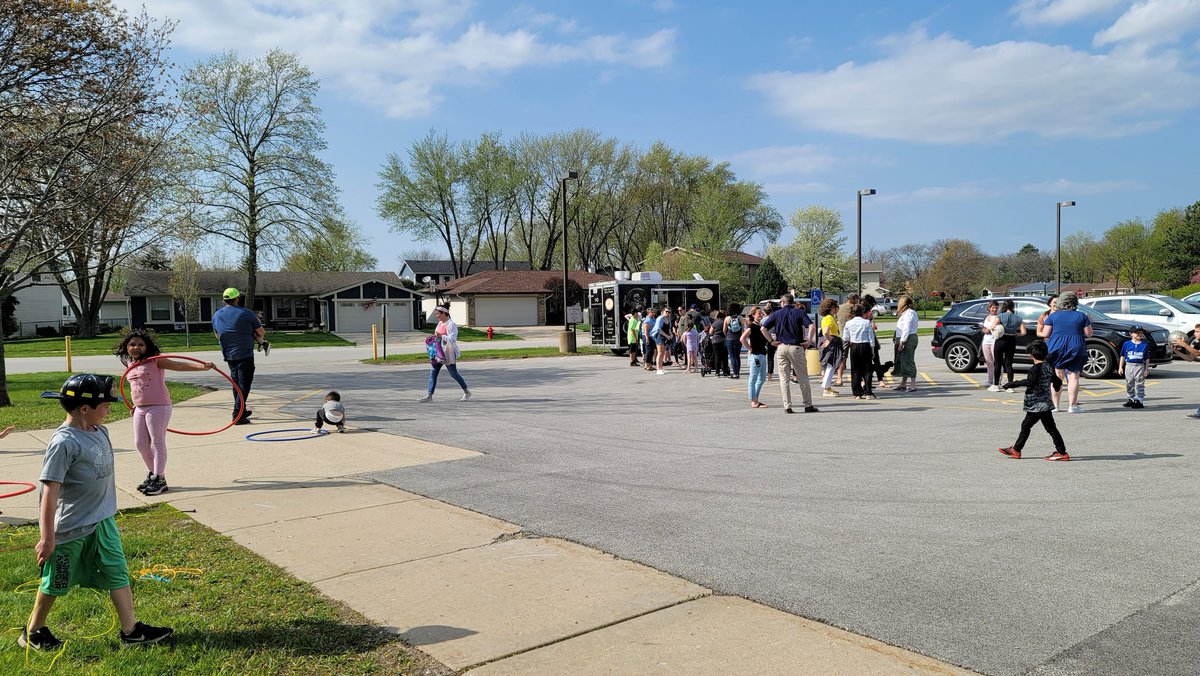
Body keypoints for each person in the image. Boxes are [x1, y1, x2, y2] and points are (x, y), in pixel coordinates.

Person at [23, 374, 174, 651]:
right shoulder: (64, 442)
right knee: (56, 581)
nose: (109, 409)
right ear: (84, 409)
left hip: (103, 521)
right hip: (70, 528)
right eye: (105, 405)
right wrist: (47, 538)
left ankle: (131, 632)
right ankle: (33, 631)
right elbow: (49, 492)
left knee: (118, 573)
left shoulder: (99, 430)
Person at [115, 329, 214, 496]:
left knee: (157, 442)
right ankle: (153, 473)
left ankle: (159, 478)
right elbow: (136, 388)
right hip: (139, 408)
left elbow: (179, 365)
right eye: (132, 344)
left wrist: (202, 367)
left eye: (141, 344)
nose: (136, 347)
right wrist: (134, 405)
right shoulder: (130, 365)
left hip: (159, 406)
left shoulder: (155, 361)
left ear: (148, 347)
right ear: (126, 348)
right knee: (140, 443)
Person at [998, 339, 1070, 461]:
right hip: (1045, 403)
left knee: (1042, 427)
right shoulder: (1048, 366)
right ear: (1046, 354)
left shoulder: (1035, 369)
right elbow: (1057, 380)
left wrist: (1012, 384)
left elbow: (1031, 382)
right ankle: (1016, 448)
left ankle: (1061, 452)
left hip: (1036, 404)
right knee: (1030, 425)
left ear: (1031, 355)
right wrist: (1056, 387)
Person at [212, 287, 264, 425]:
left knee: (236, 384)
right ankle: (237, 415)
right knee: (244, 385)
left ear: (224, 300)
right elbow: (261, 332)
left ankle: (242, 409)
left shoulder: (217, 315)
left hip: (229, 355)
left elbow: (217, 335)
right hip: (245, 354)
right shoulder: (246, 313)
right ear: (237, 299)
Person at [760, 294, 818, 414]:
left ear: (782, 302)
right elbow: (811, 326)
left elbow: (763, 328)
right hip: (796, 347)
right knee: (803, 377)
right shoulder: (799, 312)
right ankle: (808, 404)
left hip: (781, 347)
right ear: (792, 302)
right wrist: (808, 340)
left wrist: (771, 341)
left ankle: (787, 406)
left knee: (784, 378)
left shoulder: (776, 314)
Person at [1038, 292, 1092, 413]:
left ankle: (1056, 406)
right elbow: (1088, 334)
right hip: (1076, 346)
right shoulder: (1082, 316)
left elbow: (1046, 334)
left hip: (1057, 346)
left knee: (1058, 376)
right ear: (1075, 302)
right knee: (1073, 377)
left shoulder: (1053, 316)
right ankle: (1072, 406)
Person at [420, 305, 471, 401]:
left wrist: (441, 336)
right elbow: (437, 336)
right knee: (433, 373)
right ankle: (429, 396)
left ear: (444, 313)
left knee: (453, 374)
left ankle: (467, 392)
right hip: (438, 352)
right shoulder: (439, 323)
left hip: (448, 353)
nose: (436, 316)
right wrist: (432, 338)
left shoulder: (451, 324)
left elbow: (452, 339)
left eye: (438, 314)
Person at [843, 305, 877, 399]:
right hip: (865, 345)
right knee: (867, 369)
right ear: (861, 312)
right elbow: (871, 338)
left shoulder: (848, 323)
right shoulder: (866, 322)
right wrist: (873, 350)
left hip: (854, 345)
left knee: (855, 370)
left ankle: (857, 392)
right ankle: (868, 392)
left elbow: (846, 338)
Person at [741, 306, 769, 408]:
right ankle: (753, 400)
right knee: (753, 378)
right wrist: (750, 349)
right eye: (759, 314)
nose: (761, 315)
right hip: (756, 355)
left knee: (761, 378)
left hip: (762, 353)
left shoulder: (760, 326)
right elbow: (742, 339)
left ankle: (755, 398)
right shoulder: (752, 326)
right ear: (753, 315)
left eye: (762, 313)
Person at [995, 299, 1025, 391]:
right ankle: (1010, 386)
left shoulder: (1000, 316)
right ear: (1013, 307)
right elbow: (1024, 332)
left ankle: (996, 385)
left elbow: (993, 326)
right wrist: (1016, 334)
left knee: (998, 363)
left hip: (1001, 340)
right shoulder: (1018, 318)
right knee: (1009, 364)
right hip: (1011, 340)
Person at [892, 295, 920, 392]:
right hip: (906, 338)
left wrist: (902, 341)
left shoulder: (909, 314)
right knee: (903, 361)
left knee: (908, 361)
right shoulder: (907, 313)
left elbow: (906, 328)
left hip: (908, 339)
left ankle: (913, 384)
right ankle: (903, 383)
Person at [1118, 326, 1149, 409]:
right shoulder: (1127, 344)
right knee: (1129, 383)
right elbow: (1123, 356)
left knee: (1139, 383)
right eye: (1137, 333)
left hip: (1139, 366)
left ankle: (1139, 400)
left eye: (1141, 333)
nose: (1140, 334)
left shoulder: (1144, 345)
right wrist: (1120, 367)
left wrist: (1146, 369)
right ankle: (1131, 399)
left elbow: (1146, 358)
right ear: (1131, 334)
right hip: (1129, 365)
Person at [834, 294, 860, 386]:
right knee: (857, 359)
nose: (858, 300)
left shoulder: (839, 308)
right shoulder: (857, 308)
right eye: (856, 299)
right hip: (855, 337)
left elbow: (836, 320)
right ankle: (859, 379)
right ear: (852, 299)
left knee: (842, 358)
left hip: (843, 336)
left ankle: (839, 378)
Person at [817, 298, 842, 397]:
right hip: (833, 342)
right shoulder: (829, 318)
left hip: (832, 341)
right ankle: (826, 388)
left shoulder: (827, 318)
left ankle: (828, 387)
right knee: (831, 365)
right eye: (837, 307)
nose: (838, 309)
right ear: (832, 308)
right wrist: (831, 340)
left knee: (831, 365)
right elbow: (826, 332)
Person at [981, 300, 1001, 391]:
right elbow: (984, 328)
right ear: (989, 308)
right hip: (986, 341)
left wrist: (989, 330)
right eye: (993, 307)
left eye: (996, 308)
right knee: (989, 362)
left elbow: (998, 329)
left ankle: (998, 380)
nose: (994, 309)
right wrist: (984, 330)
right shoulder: (987, 317)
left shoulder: (998, 317)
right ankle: (990, 380)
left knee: (997, 361)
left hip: (994, 341)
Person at [723, 303, 744, 379]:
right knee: (737, 356)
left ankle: (735, 373)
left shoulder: (727, 318)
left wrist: (727, 336)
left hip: (730, 338)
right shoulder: (740, 318)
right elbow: (743, 330)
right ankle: (737, 372)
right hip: (738, 339)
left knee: (732, 356)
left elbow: (724, 330)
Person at [652, 306, 673, 375]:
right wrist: (667, 336)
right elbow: (658, 329)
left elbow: (669, 328)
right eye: (666, 311)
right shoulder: (660, 318)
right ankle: (658, 369)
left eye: (669, 312)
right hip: (659, 336)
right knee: (660, 353)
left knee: (663, 353)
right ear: (663, 312)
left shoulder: (668, 319)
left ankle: (661, 368)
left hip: (665, 337)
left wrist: (671, 334)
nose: (668, 313)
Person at [709, 310, 730, 377]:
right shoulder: (725, 322)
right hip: (724, 340)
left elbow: (710, 332)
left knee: (717, 357)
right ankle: (725, 371)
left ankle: (717, 372)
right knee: (724, 357)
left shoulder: (715, 322)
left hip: (715, 341)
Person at [641, 307, 658, 372]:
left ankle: (650, 364)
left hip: (652, 336)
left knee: (652, 351)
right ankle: (646, 364)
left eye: (654, 312)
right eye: (652, 312)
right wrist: (647, 338)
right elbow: (646, 330)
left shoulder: (653, 319)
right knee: (648, 350)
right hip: (647, 336)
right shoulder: (647, 320)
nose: (653, 313)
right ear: (648, 313)